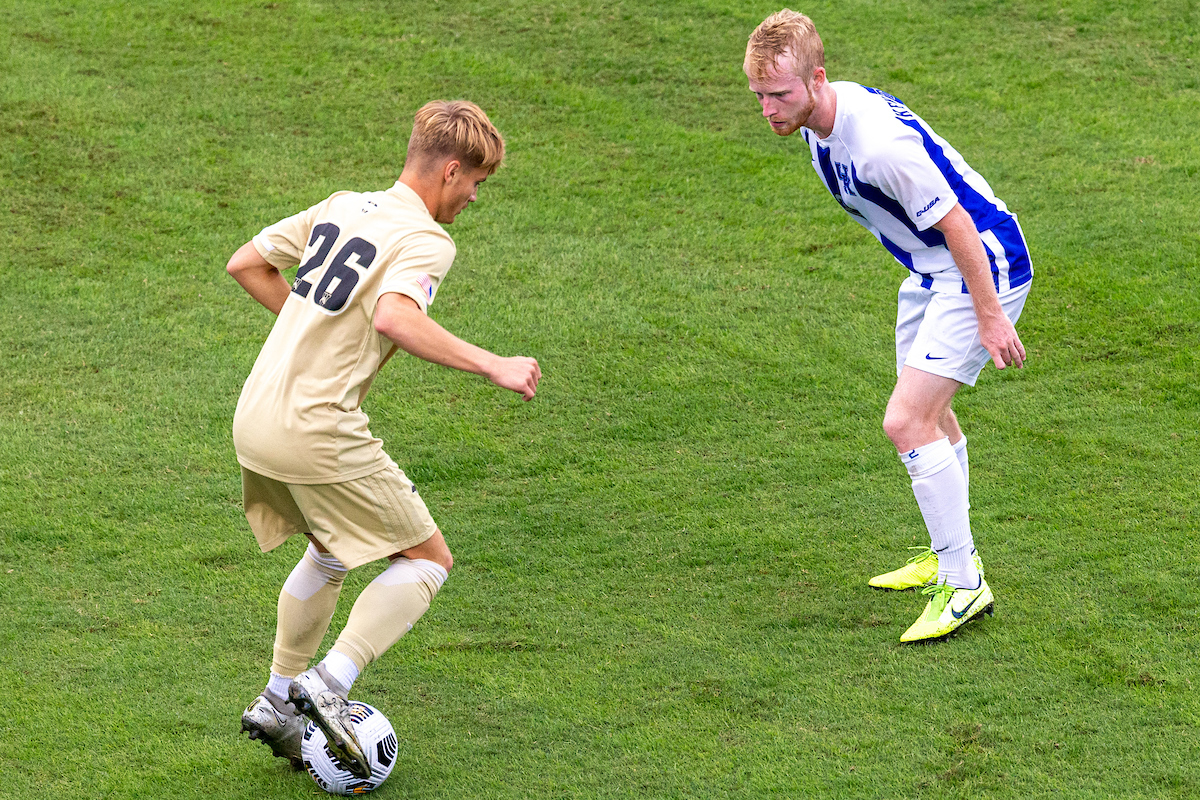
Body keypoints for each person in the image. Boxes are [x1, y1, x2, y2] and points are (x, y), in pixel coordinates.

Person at [227, 100, 541, 775]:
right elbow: (396, 317)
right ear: (450, 171)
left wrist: (314, 326)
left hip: (254, 419)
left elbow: (245, 263)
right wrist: (494, 364)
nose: (474, 197)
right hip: (317, 428)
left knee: (330, 548)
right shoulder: (427, 239)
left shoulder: (343, 206)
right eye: (475, 182)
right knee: (427, 559)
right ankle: (327, 683)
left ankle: (278, 699)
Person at [743, 11, 1032, 643]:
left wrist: (989, 317)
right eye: (758, 95)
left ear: (817, 79)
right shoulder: (815, 120)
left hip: (979, 264)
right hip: (930, 271)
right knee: (931, 415)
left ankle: (964, 584)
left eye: (779, 94)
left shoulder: (876, 144)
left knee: (907, 421)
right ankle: (949, 551)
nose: (767, 109)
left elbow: (958, 223)